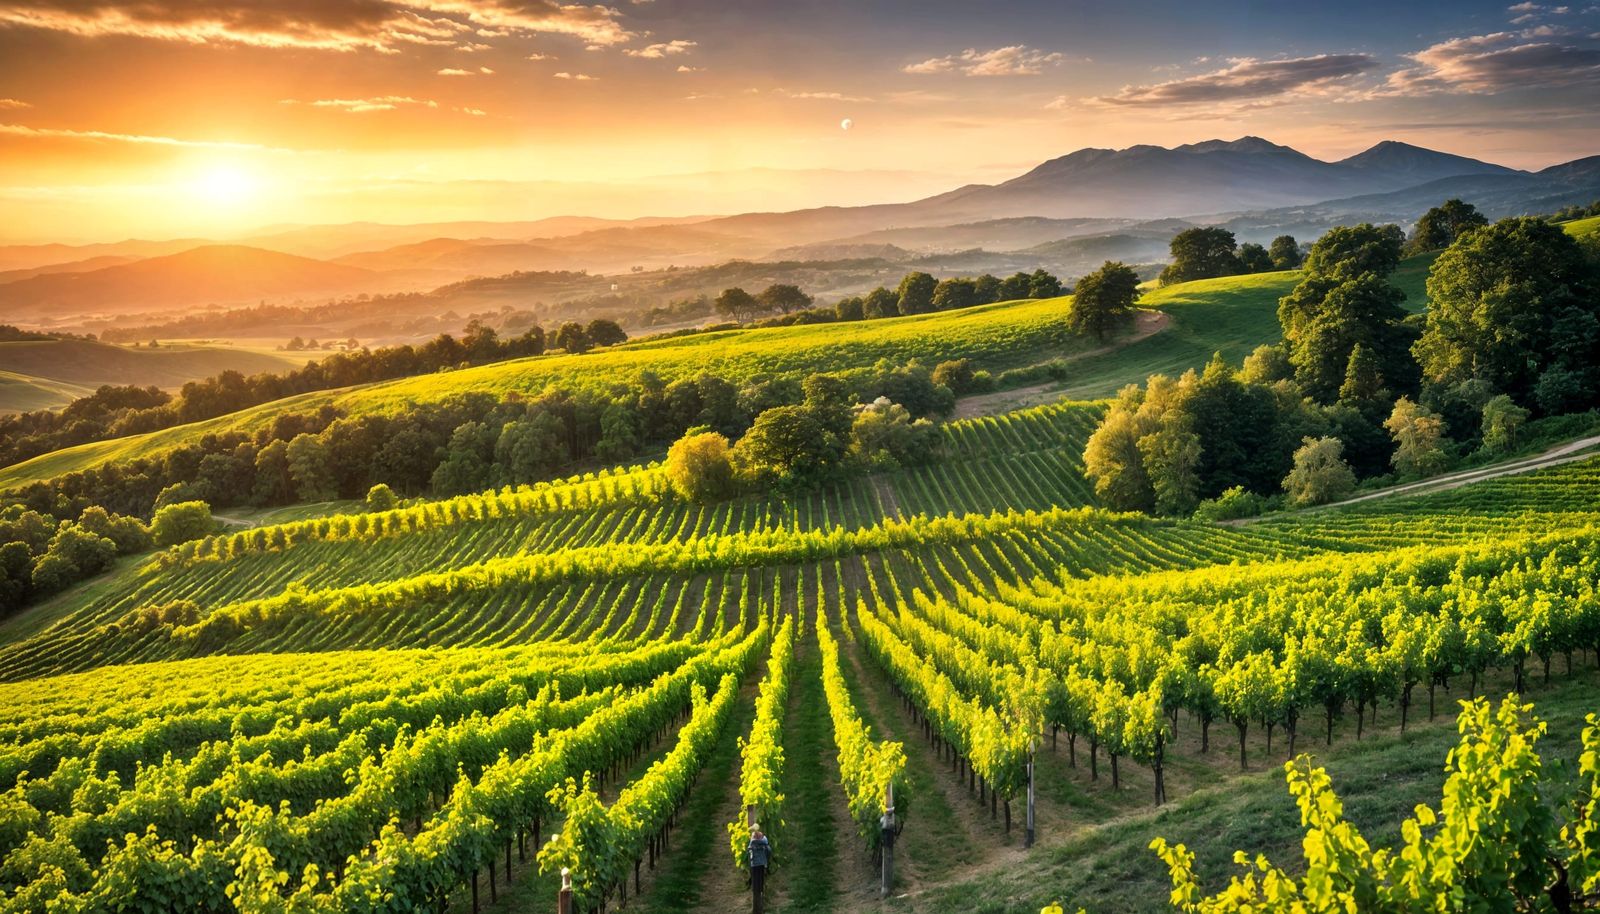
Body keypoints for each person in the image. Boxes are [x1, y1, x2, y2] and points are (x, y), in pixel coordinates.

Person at [747, 824, 772, 914]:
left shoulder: (752, 843)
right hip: (762, 865)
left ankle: (756, 908)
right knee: (761, 885)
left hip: (754, 866)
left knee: (755, 886)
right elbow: (769, 851)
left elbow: (748, 854)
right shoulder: (764, 843)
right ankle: (760, 907)